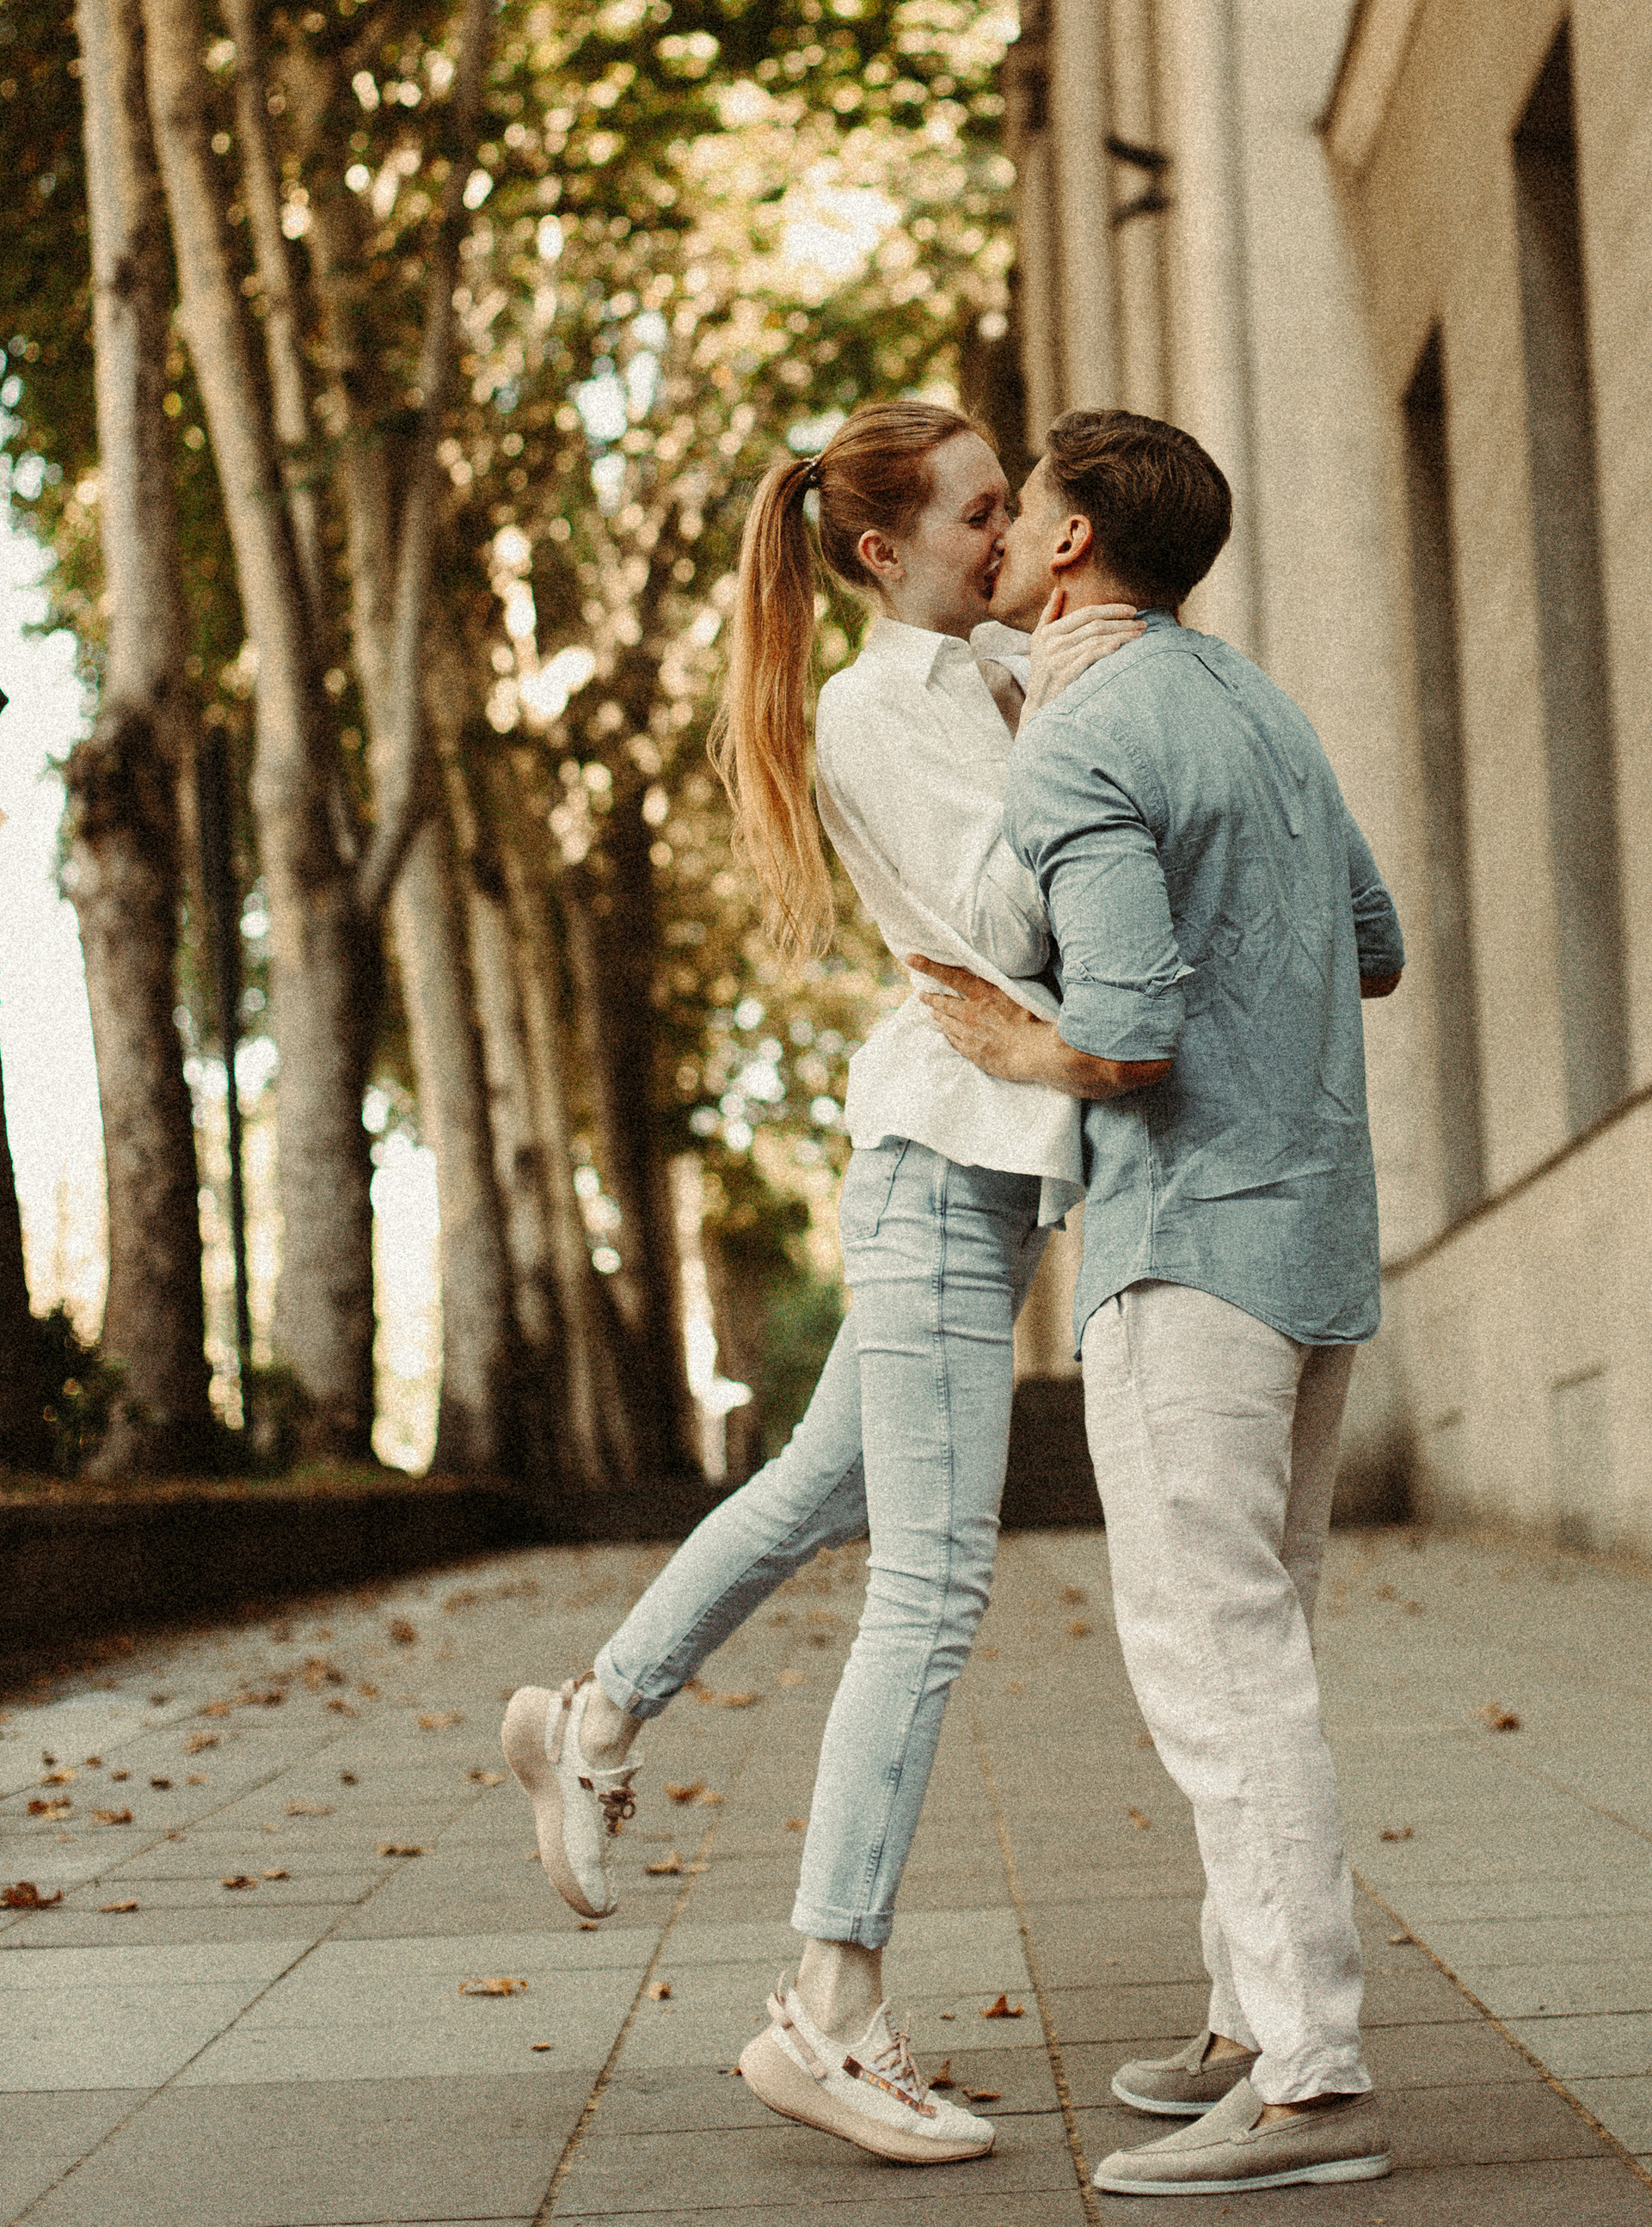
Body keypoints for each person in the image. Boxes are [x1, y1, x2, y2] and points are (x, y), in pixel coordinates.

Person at [500, 399, 1143, 2171]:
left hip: (979, 1167)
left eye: (1012, 505)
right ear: (884, 550)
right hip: (939, 1164)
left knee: (817, 1485)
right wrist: (1080, 732)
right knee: (930, 1588)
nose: (1016, 536)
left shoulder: (986, 676)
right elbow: (1011, 922)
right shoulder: (878, 709)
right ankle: (827, 2010)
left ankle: (594, 1713)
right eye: (982, 514)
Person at [916, 408, 1407, 2200]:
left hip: (1185, 1246)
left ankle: (1312, 2083)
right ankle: (1244, 2022)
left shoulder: (1085, 729)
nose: (999, 534)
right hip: (1317, 1241)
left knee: (1216, 1662)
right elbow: (1374, 943)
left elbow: (1124, 1038)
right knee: (1261, 1634)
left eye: (1023, 506)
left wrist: (1004, 1039)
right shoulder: (1259, 704)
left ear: (1069, 542)